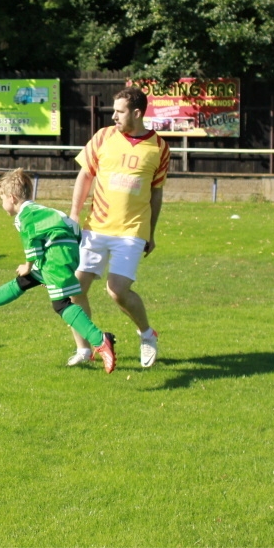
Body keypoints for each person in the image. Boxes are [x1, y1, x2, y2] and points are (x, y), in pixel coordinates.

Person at [0, 168, 117, 372]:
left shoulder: (25, 216)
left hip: (56, 255)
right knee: (24, 281)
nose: (2, 204)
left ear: (12, 198)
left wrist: (28, 264)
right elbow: (72, 226)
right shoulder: (42, 210)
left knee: (61, 305)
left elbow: (31, 240)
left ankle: (100, 340)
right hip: (64, 252)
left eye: (1, 199)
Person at [68, 86, 170, 369]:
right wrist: (74, 215)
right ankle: (85, 349)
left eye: (119, 111)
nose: (113, 116)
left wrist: (151, 231)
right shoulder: (102, 137)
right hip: (95, 227)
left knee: (117, 291)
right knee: (75, 288)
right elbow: (84, 175)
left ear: (136, 113)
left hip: (132, 231)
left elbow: (156, 192)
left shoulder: (159, 148)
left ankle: (147, 334)